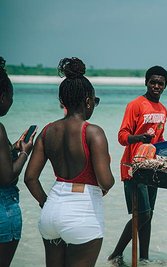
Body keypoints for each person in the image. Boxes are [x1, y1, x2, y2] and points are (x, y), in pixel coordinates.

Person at [24, 57, 115, 267]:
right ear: (88, 101)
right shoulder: (93, 132)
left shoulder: (47, 131)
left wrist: (45, 203)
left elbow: (30, 178)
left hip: (51, 211)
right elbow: (106, 182)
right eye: (95, 101)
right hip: (82, 214)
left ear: (62, 102)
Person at [108, 66, 167, 265]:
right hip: (133, 168)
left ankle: (144, 258)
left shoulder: (163, 110)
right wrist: (140, 138)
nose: (156, 86)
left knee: (149, 214)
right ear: (146, 82)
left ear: (165, 86)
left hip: (152, 168)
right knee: (141, 214)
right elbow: (122, 137)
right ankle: (115, 254)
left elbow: (159, 140)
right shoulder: (135, 105)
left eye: (160, 83)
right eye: (153, 82)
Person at [0, 57, 36, 267]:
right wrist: (24, 153)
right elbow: (6, 177)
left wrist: (11, 149)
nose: (11, 102)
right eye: (11, 97)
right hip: (3, 209)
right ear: (3, 96)